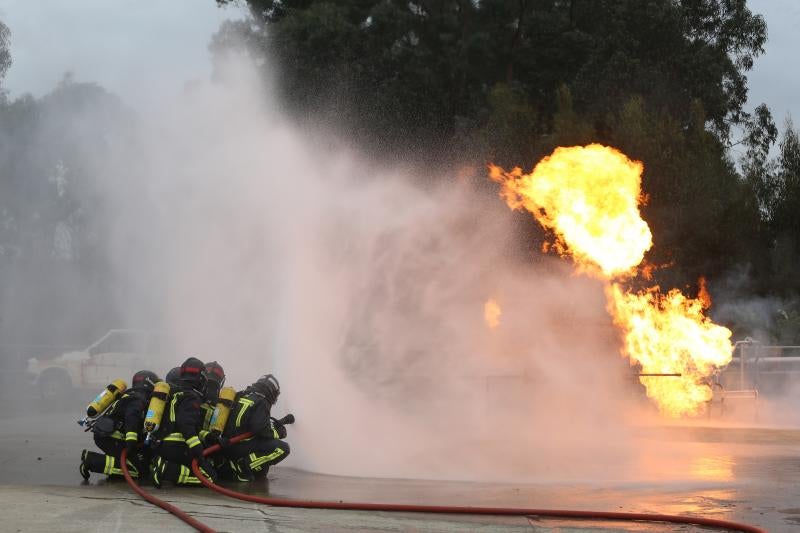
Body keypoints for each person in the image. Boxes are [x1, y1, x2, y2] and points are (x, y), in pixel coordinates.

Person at [79, 370, 159, 480]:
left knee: (137, 462)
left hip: (106, 434)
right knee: (140, 470)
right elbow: (132, 417)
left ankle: (103, 465)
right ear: (150, 384)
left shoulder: (127, 395)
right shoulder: (138, 398)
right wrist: (131, 440)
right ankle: (92, 461)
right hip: (113, 437)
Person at [151, 357, 218, 487]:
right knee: (210, 477)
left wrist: (208, 436)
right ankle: (167, 470)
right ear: (201, 378)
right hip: (178, 446)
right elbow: (185, 423)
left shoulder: (173, 392)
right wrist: (196, 447)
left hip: (162, 445)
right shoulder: (192, 396)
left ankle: (163, 464)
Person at [220, 374, 290, 481]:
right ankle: (244, 465)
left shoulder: (241, 395)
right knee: (282, 448)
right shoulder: (262, 401)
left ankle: (236, 465)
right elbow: (260, 429)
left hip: (225, 446)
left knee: (262, 471)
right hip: (239, 447)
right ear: (272, 392)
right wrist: (279, 433)